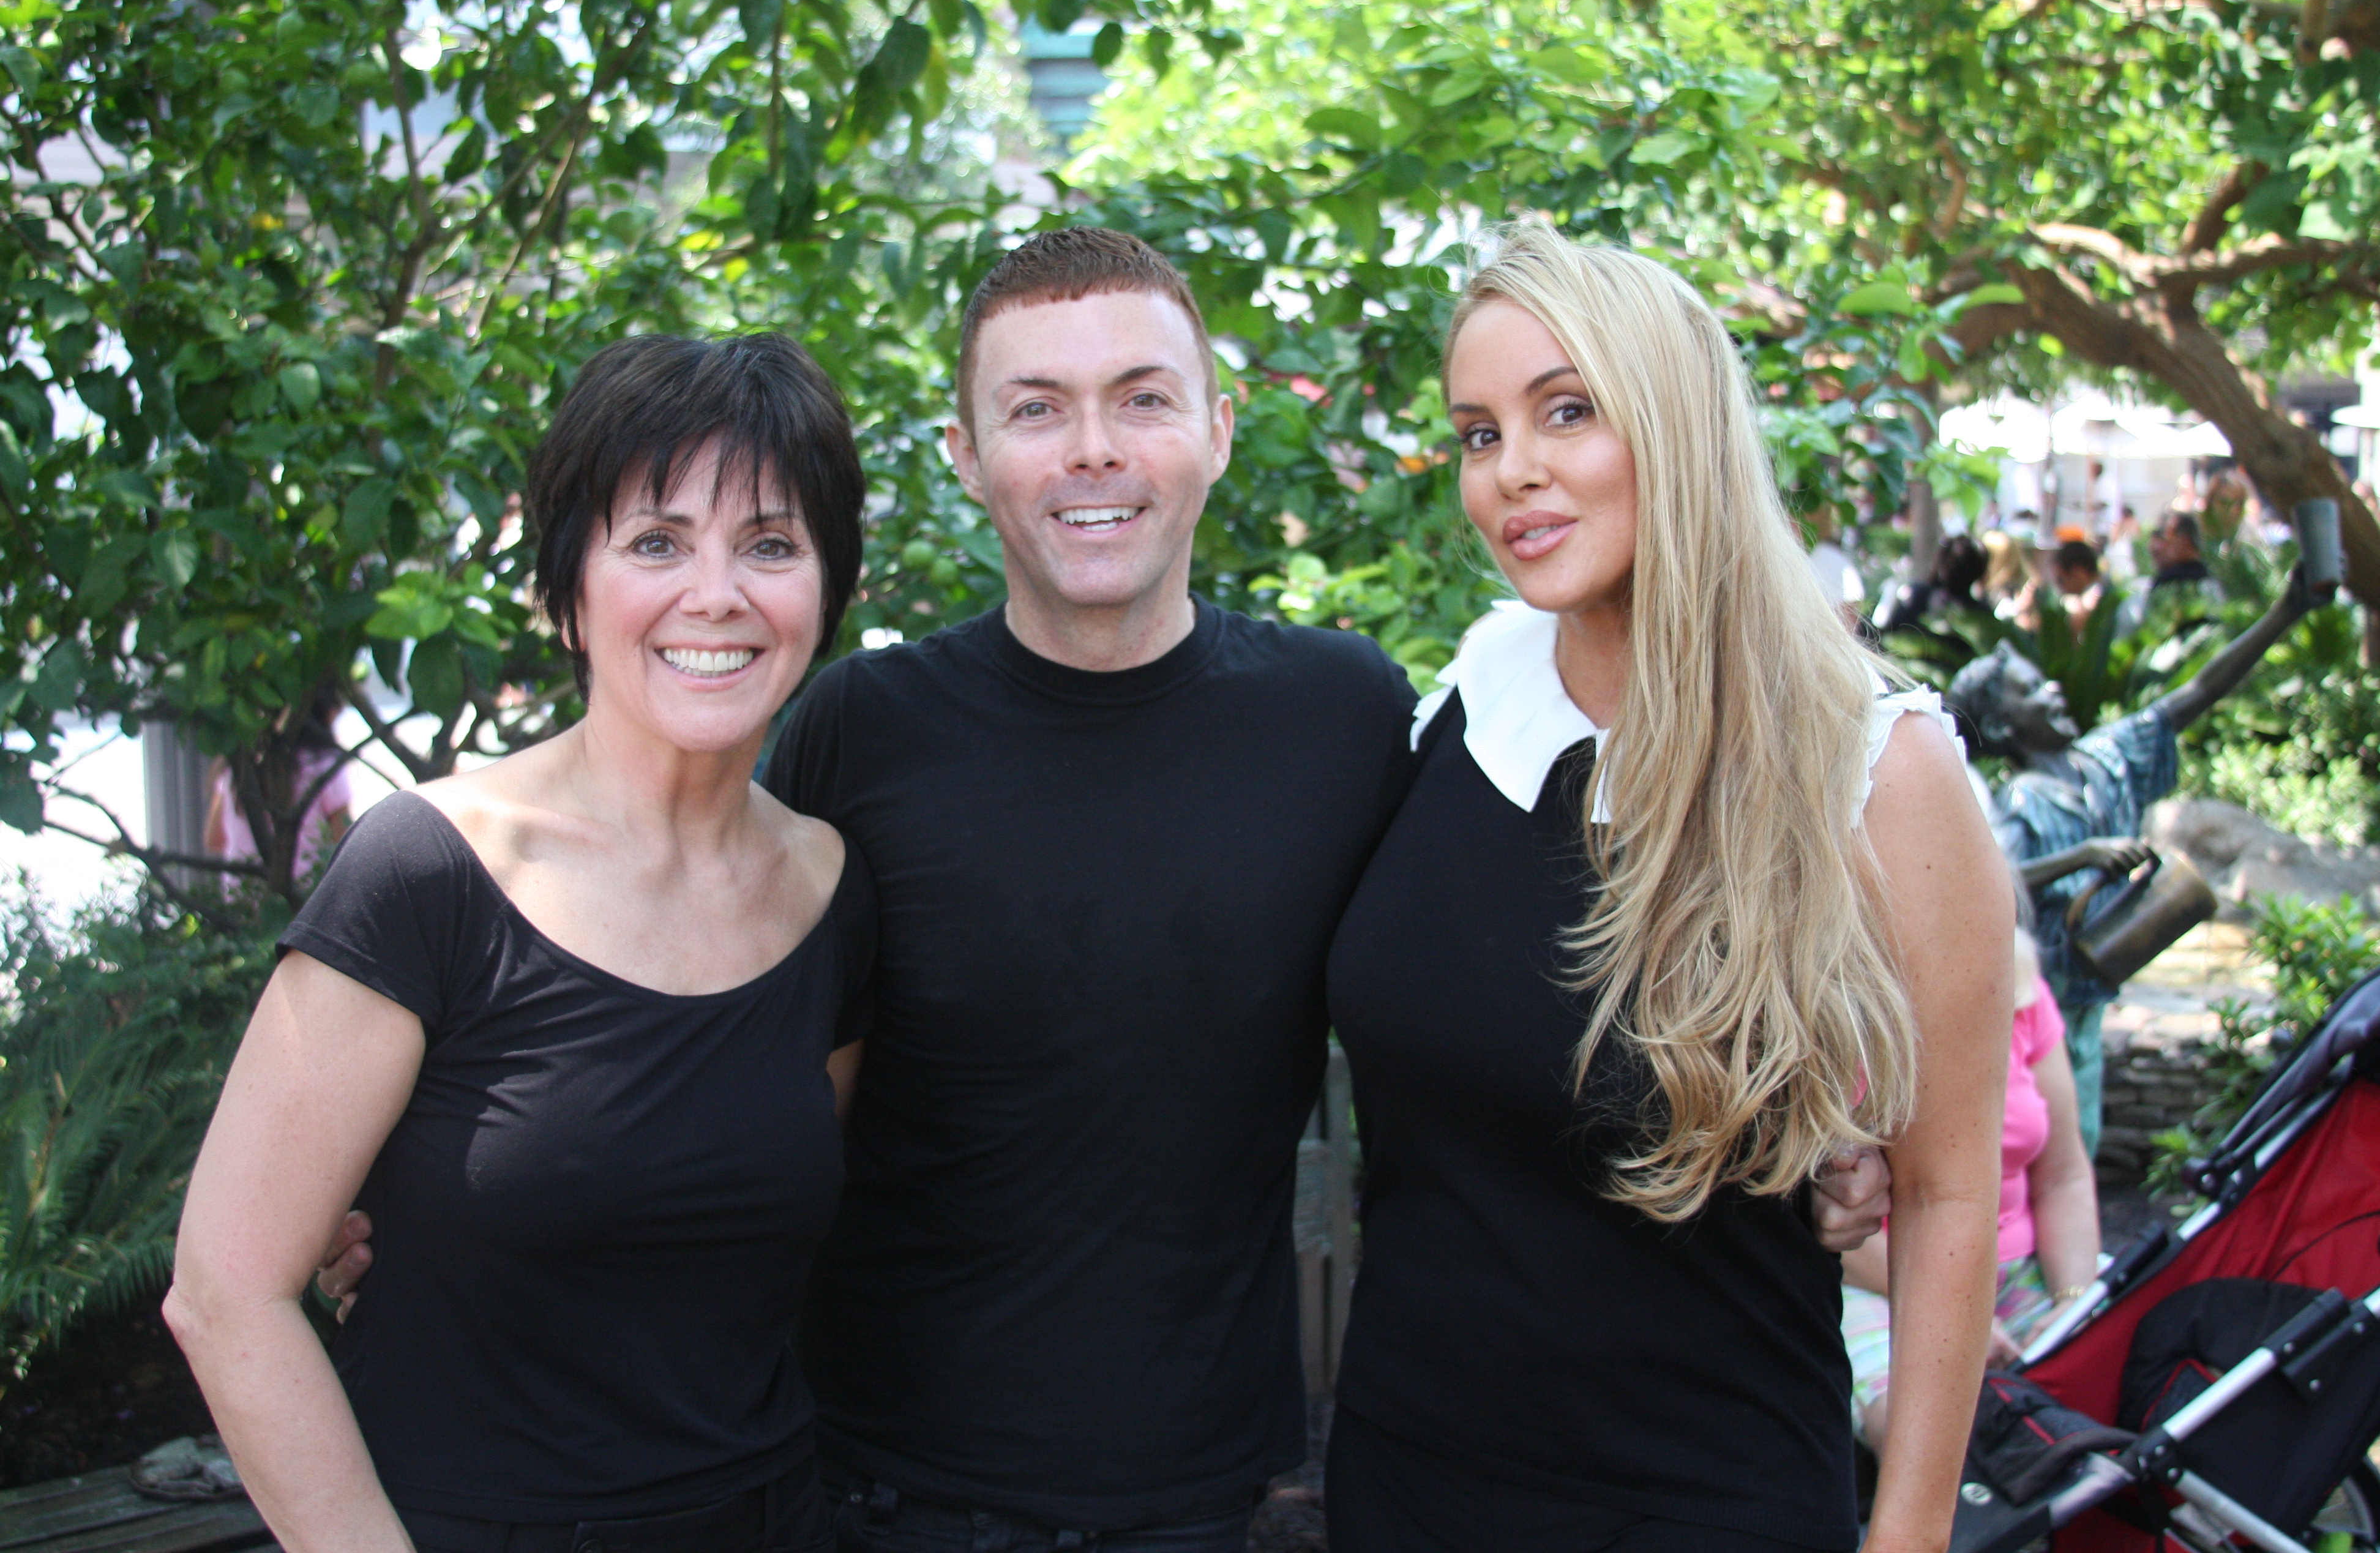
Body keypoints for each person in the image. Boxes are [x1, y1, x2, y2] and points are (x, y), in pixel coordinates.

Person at [318, 228, 1892, 1553]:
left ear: (1216, 429)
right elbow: (690, 1002)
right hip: (877, 1485)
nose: (1091, 451)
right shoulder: (861, 733)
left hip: (1214, 1494)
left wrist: (1814, 1133)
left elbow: (1516, 961)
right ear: (967, 456)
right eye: (1037, 408)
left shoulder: (1350, 720)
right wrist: (420, 1185)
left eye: (1142, 400)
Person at [1323, 228, 2010, 1552]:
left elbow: (1946, 1197)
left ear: (1677, 425)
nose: (1511, 469)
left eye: (1566, 411)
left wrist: (1912, 1535)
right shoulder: (1471, 699)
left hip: (1701, 1500)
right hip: (1409, 1483)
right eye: (1478, 432)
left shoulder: (1874, 765)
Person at [167, 332, 874, 1553]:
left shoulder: (831, 887)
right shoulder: (431, 869)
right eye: (656, 542)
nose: (717, 593)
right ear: (570, 583)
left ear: (827, 584)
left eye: (770, 543)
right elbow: (227, 1296)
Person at [1948, 559, 2323, 1153]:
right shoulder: (2020, 803)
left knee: (2082, 1131)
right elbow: (1993, 883)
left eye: (2042, 678)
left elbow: (2198, 692)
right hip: (2044, 1002)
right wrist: (2082, 857)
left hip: (2095, 989)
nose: (2050, 688)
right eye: (2027, 690)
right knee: (2043, 1138)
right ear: (1999, 722)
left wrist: (2287, 610)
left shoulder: (2106, 761)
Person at [1841, 922, 2100, 1450]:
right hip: (1883, 1277)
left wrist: (2073, 1299)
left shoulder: (2022, 987)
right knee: (1933, 1440)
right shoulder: (1836, 1001)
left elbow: (2065, 1175)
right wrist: (1959, 1320)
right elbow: (1816, 1207)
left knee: (2116, 1367)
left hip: (2018, 1271)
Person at [203, 688, 354, 891]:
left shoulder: (238, 764)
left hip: (240, 899)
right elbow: (345, 847)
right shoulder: (324, 764)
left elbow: (214, 840)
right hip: (303, 902)